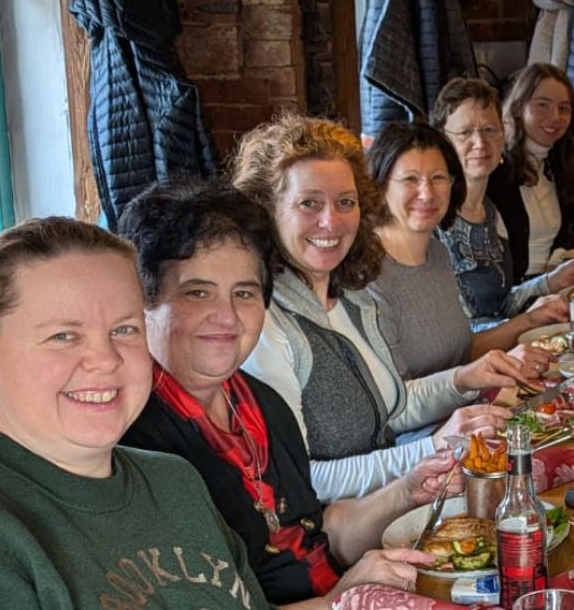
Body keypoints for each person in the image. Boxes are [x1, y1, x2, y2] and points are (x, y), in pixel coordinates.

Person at [118, 182, 449, 606]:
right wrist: (339, 599)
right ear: (144, 303)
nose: (227, 316)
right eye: (197, 292)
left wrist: (406, 492)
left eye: (244, 293)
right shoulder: (136, 441)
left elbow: (319, 534)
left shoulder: (262, 404)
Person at [232, 115, 515, 502]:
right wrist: (433, 447)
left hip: (393, 507)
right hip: (338, 529)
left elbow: (391, 408)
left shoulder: (351, 297)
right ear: (267, 209)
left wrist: (462, 383)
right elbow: (302, 479)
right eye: (309, 203)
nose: (331, 221)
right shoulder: (266, 324)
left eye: (345, 202)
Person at [0, 217, 272, 607]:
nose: (106, 359)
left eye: (124, 329)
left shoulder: (175, 481)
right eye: (63, 336)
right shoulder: (10, 533)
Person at [367, 122, 565, 377]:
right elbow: (396, 395)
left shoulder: (437, 253)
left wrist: (533, 319)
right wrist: (476, 375)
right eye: (410, 179)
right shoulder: (368, 272)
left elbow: (460, 354)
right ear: (381, 185)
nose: (427, 193)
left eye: (438, 178)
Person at [432, 77, 574, 327]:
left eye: (489, 130)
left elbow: (501, 305)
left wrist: (549, 282)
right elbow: (452, 334)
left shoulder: (491, 211)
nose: (480, 143)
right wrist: (528, 320)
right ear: (442, 140)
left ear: (503, 134)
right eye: (465, 133)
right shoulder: (434, 218)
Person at [489, 63, 574, 279]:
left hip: (553, 286)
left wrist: (560, 254)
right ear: (519, 107)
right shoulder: (496, 169)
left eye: (564, 108)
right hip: (515, 291)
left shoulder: (557, 164)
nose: (555, 117)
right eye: (543, 105)